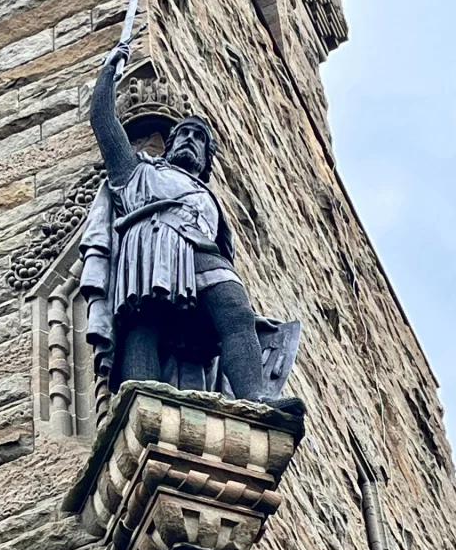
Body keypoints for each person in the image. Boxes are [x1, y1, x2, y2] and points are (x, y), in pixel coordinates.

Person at [80, 41, 303, 410]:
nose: (190, 140)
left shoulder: (208, 197)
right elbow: (103, 122)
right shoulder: (138, 171)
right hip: (152, 241)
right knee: (143, 320)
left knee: (236, 313)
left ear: (207, 158)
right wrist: (108, 73)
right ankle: (144, 404)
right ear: (169, 146)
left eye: (199, 138)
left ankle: (255, 398)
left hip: (203, 252)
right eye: (183, 134)